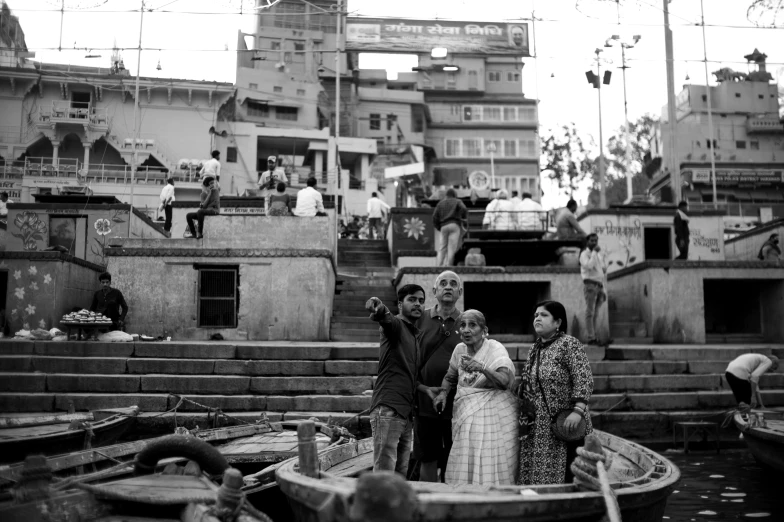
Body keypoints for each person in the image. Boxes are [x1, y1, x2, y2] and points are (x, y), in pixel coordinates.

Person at [433, 310, 519, 486]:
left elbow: (504, 382)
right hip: (465, 415)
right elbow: (450, 376)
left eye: (472, 325)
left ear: (484, 330)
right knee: (466, 455)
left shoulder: (495, 348)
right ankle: (465, 494)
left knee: (489, 456)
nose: (466, 330)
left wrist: (482, 368)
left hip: (494, 417)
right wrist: (443, 393)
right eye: (462, 325)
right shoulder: (459, 350)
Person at [517, 301, 593, 485]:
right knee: (538, 474)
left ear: (558, 322)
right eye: (535, 315)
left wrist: (577, 412)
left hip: (565, 423)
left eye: (543, 315)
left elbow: (583, 378)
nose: (537, 318)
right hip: (539, 426)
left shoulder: (569, 344)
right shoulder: (535, 349)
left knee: (567, 474)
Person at [365, 284, 426, 475]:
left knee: (399, 475)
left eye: (421, 301)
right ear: (400, 304)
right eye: (412, 299)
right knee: (384, 475)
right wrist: (379, 307)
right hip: (389, 410)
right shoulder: (397, 326)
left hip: (405, 414)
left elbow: (408, 375)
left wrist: (426, 390)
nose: (418, 304)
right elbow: (386, 318)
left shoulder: (413, 334)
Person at [413, 271, 463, 482]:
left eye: (453, 284)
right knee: (427, 457)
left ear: (460, 292)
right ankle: (429, 504)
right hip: (425, 402)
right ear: (434, 291)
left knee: (456, 457)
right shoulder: (420, 318)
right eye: (443, 283)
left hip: (458, 405)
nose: (448, 287)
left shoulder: (467, 322)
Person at [580, 233, 607, 345]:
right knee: (590, 312)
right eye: (592, 240)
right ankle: (591, 338)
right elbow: (589, 266)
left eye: (596, 240)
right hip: (590, 285)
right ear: (587, 242)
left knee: (596, 313)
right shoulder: (584, 254)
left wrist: (603, 289)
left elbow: (602, 271)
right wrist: (595, 252)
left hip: (599, 285)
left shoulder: (598, 255)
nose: (594, 243)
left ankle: (595, 337)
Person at [432, 188, 468, 267]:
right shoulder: (457, 201)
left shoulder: (440, 204)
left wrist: (438, 227)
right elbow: (464, 208)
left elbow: (434, 217)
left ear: (446, 195)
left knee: (442, 247)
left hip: (443, 226)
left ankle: (439, 265)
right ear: (455, 195)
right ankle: (449, 265)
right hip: (454, 225)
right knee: (452, 247)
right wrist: (461, 217)